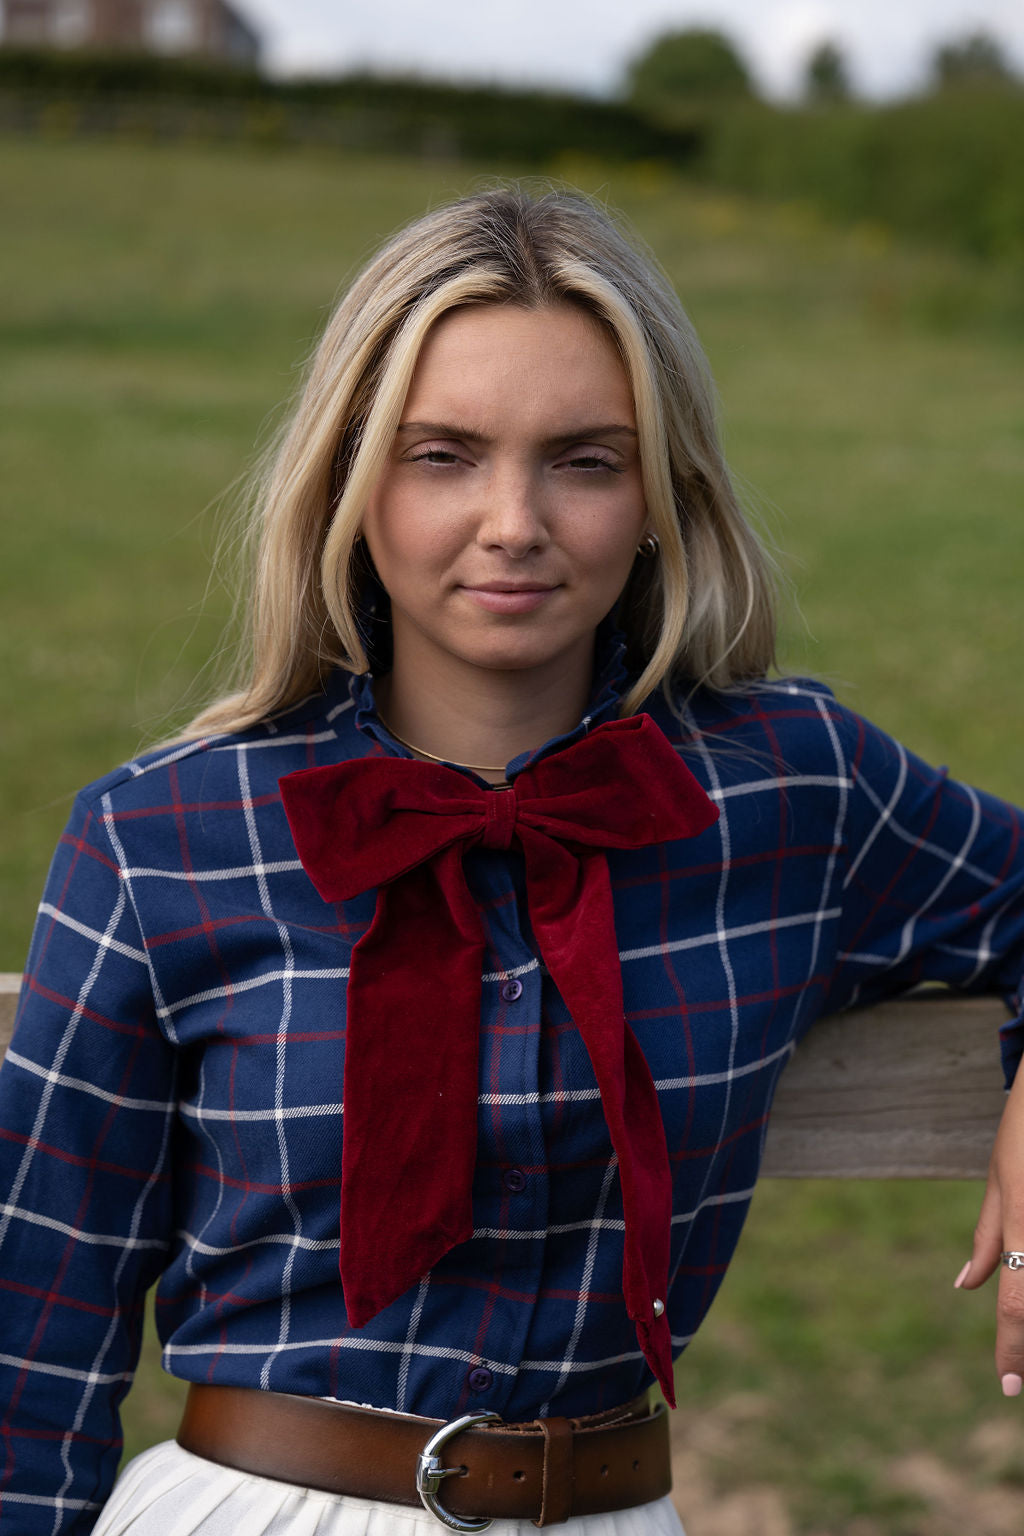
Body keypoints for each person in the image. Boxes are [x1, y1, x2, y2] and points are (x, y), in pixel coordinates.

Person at [1, 185, 1022, 1536]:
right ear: (351, 482)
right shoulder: (163, 837)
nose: (513, 521)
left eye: (585, 460)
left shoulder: (793, 790)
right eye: (443, 456)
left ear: (663, 493)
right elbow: (36, 1336)